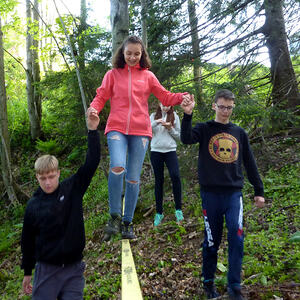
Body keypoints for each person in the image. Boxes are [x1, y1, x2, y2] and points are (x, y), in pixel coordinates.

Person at [89, 35, 191, 240]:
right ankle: (114, 215)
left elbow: (165, 96)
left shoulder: (148, 76)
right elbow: (101, 95)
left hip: (141, 131)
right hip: (116, 127)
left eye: (137, 54)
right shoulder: (112, 74)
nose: (133, 57)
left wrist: (182, 97)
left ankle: (127, 222)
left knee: (134, 178)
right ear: (122, 53)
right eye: (129, 53)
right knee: (117, 166)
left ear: (142, 54)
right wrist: (94, 108)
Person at [180, 89, 265, 300]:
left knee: (237, 237)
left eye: (229, 107)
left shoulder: (239, 133)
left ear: (232, 107)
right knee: (212, 240)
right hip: (210, 194)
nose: (225, 111)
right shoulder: (205, 128)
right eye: (222, 106)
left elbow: (249, 163)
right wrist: (187, 115)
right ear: (214, 106)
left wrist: (258, 190)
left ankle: (234, 287)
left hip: (233, 194)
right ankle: (208, 284)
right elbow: (186, 138)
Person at [21, 108, 100, 300]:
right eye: (43, 178)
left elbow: (91, 163)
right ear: (37, 178)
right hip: (47, 270)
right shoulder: (33, 205)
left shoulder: (72, 188)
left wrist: (92, 130)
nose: (47, 182)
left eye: (51, 176)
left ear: (58, 173)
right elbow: (27, 241)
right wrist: (27, 271)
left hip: (73, 269)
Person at [150, 103, 183, 226]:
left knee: (175, 176)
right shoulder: (153, 116)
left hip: (170, 151)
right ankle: (159, 212)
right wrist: (157, 122)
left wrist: (170, 128)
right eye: (163, 104)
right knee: (159, 180)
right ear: (158, 103)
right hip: (156, 151)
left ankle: (178, 210)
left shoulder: (174, 116)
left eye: (168, 105)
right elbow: (146, 130)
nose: (165, 107)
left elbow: (179, 136)